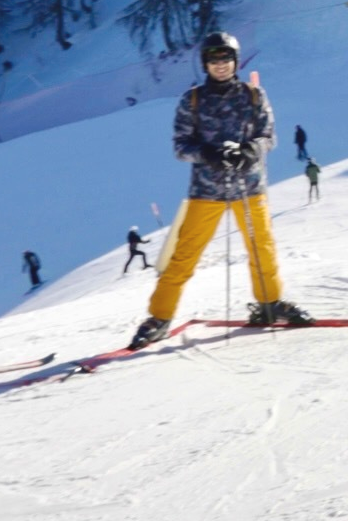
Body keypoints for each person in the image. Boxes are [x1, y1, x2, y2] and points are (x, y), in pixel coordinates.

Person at [129, 31, 312, 349]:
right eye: (214, 60)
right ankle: (159, 317)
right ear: (205, 64)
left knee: (262, 249)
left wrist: (250, 151)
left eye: (226, 58)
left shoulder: (253, 96)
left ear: (235, 61)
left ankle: (270, 304)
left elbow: (268, 136)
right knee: (185, 255)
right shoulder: (193, 100)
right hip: (207, 190)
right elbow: (181, 146)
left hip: (249, 186)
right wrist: (209, 153)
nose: (221, 64)